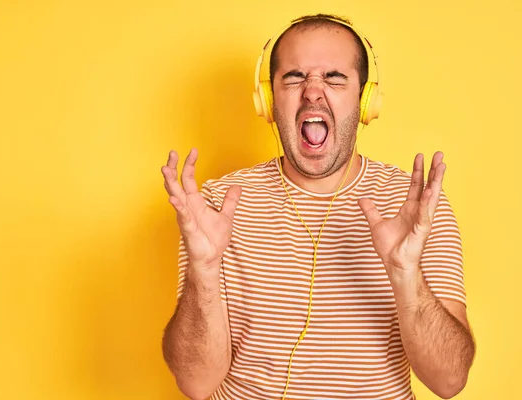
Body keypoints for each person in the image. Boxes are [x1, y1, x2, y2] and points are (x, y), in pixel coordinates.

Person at [160, 13, 475, 400]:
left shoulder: (415, 205)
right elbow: (196, 384)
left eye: (334, 77)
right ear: (268, 100)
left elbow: (450, 381)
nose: (312, 91)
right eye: (294, 77)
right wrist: (204, 271)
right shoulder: (216, 205)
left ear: (365, 100)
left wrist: (405, 274)